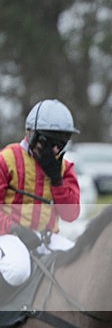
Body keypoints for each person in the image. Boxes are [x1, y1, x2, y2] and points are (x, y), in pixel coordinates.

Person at [0, 99, 81, 288]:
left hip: (46, 237)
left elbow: (71, 215)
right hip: (7, 234)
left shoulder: (64, 168)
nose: (54, 150)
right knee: (17, 270)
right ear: (31, 133)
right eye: (49, 142)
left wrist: (57, 181)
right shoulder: (6, 159)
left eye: (60, 144)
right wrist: (15, 229)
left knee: (81, 265)